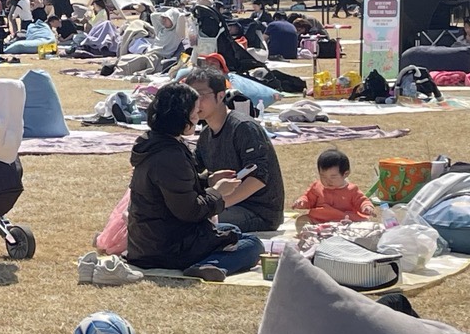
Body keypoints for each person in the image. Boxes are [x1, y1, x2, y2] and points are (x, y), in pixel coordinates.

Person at [126, 83, 262, 281]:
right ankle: (207, 266)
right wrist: (217, 191)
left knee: (233, 232)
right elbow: (189, 211)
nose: (198, 117)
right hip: (165, 248)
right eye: (194, 112)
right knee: (252, 244)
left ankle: (206, 262)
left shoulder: (153, 142)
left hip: (148, 242)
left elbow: (174, 188)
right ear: (181, 116)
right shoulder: (169, 155)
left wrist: (207, 180)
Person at [185, 67, 286, 234]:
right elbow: (192, 169)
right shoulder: (205, 134)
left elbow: (258, 178)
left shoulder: (243, 127)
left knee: (192, 225)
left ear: (221, 95)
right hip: (227, 205)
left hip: (258, 211)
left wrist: (217, 204)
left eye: (201, 95)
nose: (195, 102)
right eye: (190, 96)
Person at [293, 148, 375, 224]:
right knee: (301, 220)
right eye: (323, 176)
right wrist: (302, 202)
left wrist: (366, 207)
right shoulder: (317, 186)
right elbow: (308, 199)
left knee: (364, 223)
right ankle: (310, 236)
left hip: (344, 220)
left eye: (333, 177)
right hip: (319, 219)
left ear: (345, 174)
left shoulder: (351, 190)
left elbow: (362, 201)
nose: (328, 181)